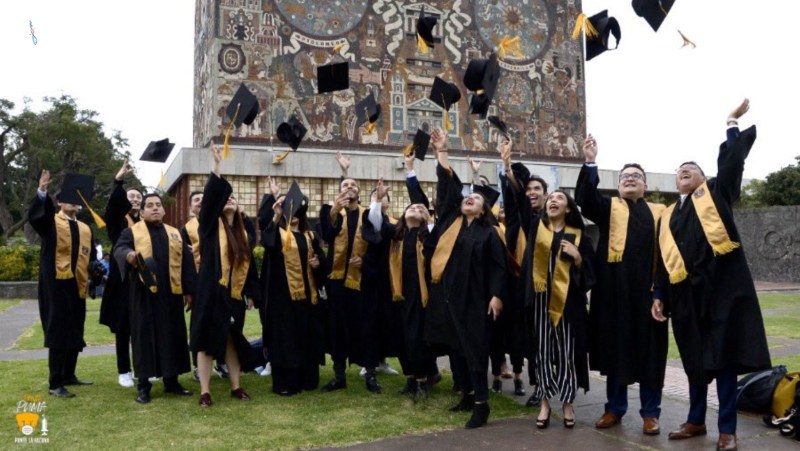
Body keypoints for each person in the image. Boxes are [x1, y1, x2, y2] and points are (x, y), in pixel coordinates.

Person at [652, 99, 771, 451]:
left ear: (703, 177)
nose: (684, 170)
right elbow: (663, 260)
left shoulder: (717, 193)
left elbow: (732, 162)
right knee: (694, 361)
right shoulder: (669, 215)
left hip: (722, 292)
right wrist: (658, 295)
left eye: (691, 167)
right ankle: (695, 420)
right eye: (680, 169)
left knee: (724, 360)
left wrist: (731, 123)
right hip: (685, 297)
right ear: (676, 181)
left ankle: (727, 429)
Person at [575, 135, 668, 435]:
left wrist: (660, 293)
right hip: (613, 295)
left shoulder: (659, 213)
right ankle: (614, 409)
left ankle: (650, 413)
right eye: (625, 176)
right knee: (616, 352)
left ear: (644, 185)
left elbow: (668, 257)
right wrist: (590, 162)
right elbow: (585, 199)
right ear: (618, 185)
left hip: (646, 297)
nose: (630, 179)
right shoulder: (608, 208)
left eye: (636, 177)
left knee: (650, 356)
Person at [424, 128, 507, 429]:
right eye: (467, 196)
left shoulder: (489, 234)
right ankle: (468, 394)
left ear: (484, 207)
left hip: (477, 300)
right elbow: (447, 186)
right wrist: (442, 151)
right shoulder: (451, 222)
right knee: (457, 349)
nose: (469, 198)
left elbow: (499, 268)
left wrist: (497, 296)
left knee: (474, 351)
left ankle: (481, 405)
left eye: (475, 198)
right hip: (449, 298)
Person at [190, 145, 261, 407]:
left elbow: (249, 267)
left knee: (232, 340)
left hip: (233, 295)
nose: (230, 199)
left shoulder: (243, 235)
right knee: (207, 341)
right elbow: (209, 202)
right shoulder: (209, 225)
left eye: (233, 198)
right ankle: (205, 391)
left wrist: (251, 293)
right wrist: (217, 169)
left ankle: (236, 386)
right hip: (211, 292)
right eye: (226, 197)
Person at [522, 189, 595, 429]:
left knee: (566, 354)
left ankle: (567, 402)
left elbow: (590, 274)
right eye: (550, 198)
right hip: (540, 301)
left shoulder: (578, 235)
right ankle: (544, 402)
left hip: (567, 304)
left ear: (569, 209)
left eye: (559, 198)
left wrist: (578, 258)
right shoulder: (536, 229)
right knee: (542, 353)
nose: (553, 201)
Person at [113, 192, 196, 403]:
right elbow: (119, 249)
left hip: (170, 295)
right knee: (143, 338)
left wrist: (189, 291)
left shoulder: (175, 233)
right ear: (141, 212)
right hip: (143, 294)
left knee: (173, 336)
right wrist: (129, 255)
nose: (155, 208)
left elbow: (186, 262)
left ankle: (172, 381)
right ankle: (143, 385)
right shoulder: (131, 232)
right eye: (149, 205)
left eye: (158, 205)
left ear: (164, 209)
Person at [28, 170, 96, 398]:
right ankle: (55, 382)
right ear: (58, 202)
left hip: (77, 285)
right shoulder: (51, 222)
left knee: (76, 327)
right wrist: (42, 190)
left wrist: (94, 270)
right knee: (59, 330)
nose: (73, 202)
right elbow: (37, 216)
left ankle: (69, 375)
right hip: (56, 285)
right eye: (67, 198)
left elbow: (90, 257)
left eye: (76, 199)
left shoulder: (85, 228)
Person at [259, 177, 327, 395]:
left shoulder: (310, 235)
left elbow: (322, 261)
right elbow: (267, 243)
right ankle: (286, 383)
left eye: (297, 211)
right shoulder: (277, 233)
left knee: (306, 336)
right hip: (283, 297)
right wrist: (276, 213)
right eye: (290, 212)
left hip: (308, 296)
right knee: (285, 339)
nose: (294, 216)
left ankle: (307, 378)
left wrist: (318, 264)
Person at [318, 152, 376, 393]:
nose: (349, 187)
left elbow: (376, 243)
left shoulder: (368, 214)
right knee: (337, 327)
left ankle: (371, 374)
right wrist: (333, 211)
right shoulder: (330, 212)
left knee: (366, 327)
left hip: (362, 280)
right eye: (345, 185)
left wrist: (365, 261)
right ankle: (339, 375)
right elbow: (327, 236)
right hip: (337, 281)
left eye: (353, 185)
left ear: (359, 192)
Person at [99, 159, 142, 388]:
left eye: (138, 197)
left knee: (139, 326)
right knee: (122, 327)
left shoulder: (145, 223)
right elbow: (112, 207)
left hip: (141, 280)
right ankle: (123, 370)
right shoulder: (119, 221)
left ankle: (139, 367)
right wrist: (119, 180)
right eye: (131, 196)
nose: (135, 199)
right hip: (121, 279)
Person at [181, 190, 230, 381]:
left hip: (220, 281)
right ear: (190, 207)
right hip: (199, 285)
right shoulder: (185, 230)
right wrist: (188, 290)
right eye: (196, 200)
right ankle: (198, 366)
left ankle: (222, 362)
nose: (200, 202)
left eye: (203, 199)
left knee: (222, 323)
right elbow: (184, 262)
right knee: (198, 327)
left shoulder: (221, 224)